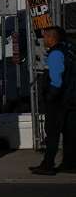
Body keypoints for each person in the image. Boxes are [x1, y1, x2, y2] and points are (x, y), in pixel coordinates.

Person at [33, 26, 76, 175]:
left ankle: (48, 165)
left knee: (52, 133)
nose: (44, 39)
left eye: (45, 37)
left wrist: (50, 96)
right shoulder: (68, 50)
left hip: (58, 101)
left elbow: (56, 80)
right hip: (70, 98)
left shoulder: (56, 54)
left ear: (52, 38)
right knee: (69, 133)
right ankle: (69, 164)